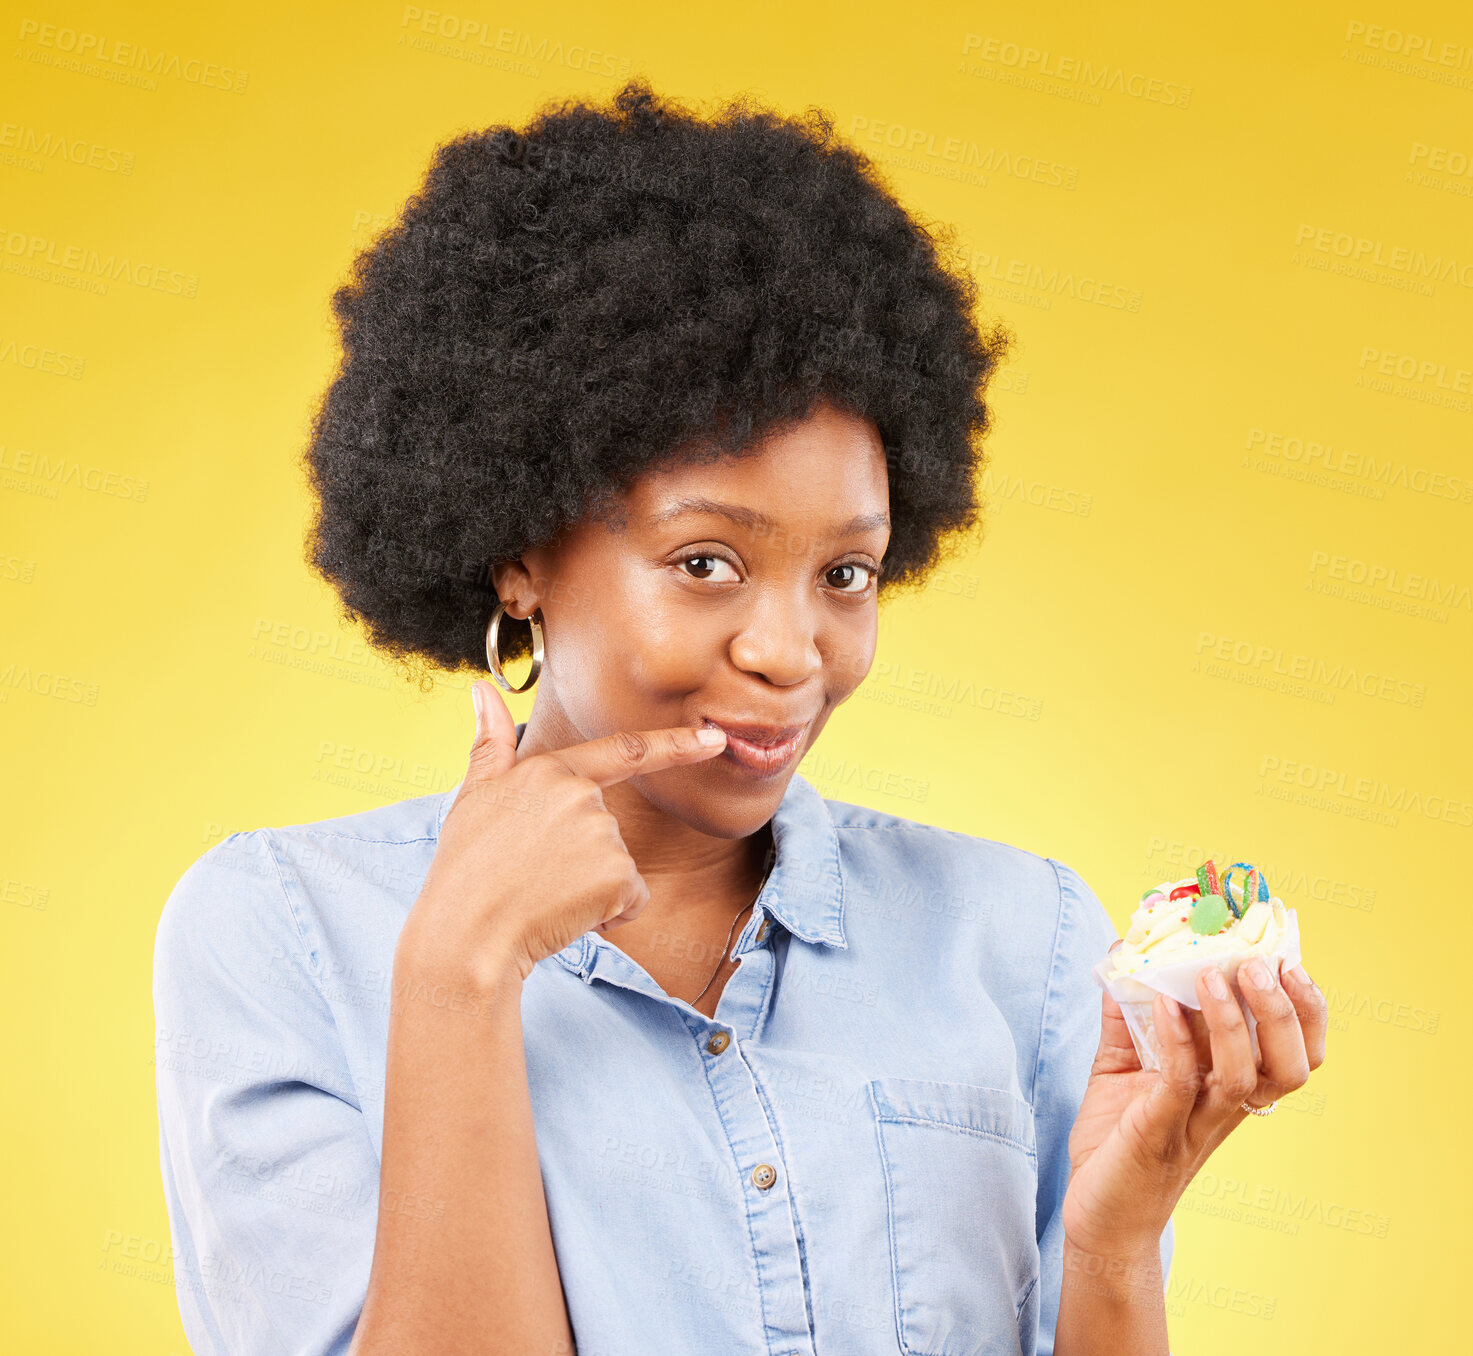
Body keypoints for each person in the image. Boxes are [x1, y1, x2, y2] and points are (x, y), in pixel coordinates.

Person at [152, 78, 1327, 1356]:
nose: (792, 653)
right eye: (707, 561)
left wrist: (1112, 1247)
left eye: (847, 576)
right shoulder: (285, 934)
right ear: (518, 555)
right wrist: (458, 977)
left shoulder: (1022, 939)